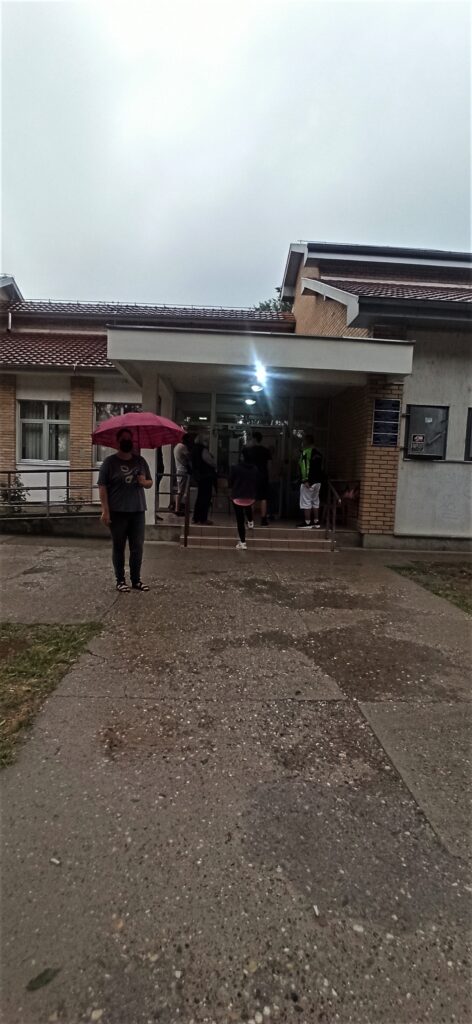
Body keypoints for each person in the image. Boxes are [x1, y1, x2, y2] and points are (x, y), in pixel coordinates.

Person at [98, 427, 153, 592]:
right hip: (118, 512)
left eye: (129, 439)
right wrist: (105, 510)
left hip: (137, 511)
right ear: (118, 442)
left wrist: (143, 482)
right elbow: (102, 487)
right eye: (124, 439)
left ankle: (136, 580)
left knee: (137, 547)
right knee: (119, 547)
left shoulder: (140, 461)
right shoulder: (109, 463)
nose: (127, 442)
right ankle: (120, 580)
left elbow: (150, 482)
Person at [230, 448, 258, 550]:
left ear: (242, 456)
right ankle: (250, 521)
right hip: (250, 496)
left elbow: (231, 481)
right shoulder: (255, 469)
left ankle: (243, 542)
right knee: (248, 506)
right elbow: (257, 481)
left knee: (240, 520)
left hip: (237, 496)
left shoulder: (235, 468)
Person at [243, 431, 271, 526]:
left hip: (251, 476)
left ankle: (250, 520)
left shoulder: (249, 450)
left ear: (254, 439)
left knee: (251, 498)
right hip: (263, 476)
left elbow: (244, 464)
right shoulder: (266, 450)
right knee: (263, 498)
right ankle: (263, 520)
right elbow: (269, 464)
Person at [297, 434, 323, 529]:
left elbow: (303, 466)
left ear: (306, 442)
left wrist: (305, 480)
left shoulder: (305, 452)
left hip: (308, 481)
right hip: (318, 481)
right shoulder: (319, 454)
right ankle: (316, 522)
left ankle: (307, 522)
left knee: (306, 502)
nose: (302, 443)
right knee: (315, 501)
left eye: (303, 441)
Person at [192, 434, 216, 525]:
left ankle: (196, 518)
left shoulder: (194, 449)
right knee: (206, 498)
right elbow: (211, 462)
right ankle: (203, 518)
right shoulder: (202, 449)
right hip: (206, 476)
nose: (207, 442)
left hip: (199, 476)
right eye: (206, 440)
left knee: (199, 497)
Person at [173, 433, 192, 516]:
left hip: (179, 470)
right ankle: (177, 509)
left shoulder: (177, 446)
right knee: (181, 491)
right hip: (183, 470)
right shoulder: (182, 447)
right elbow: (189, 456)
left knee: (180, 490)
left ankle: (178, 508)